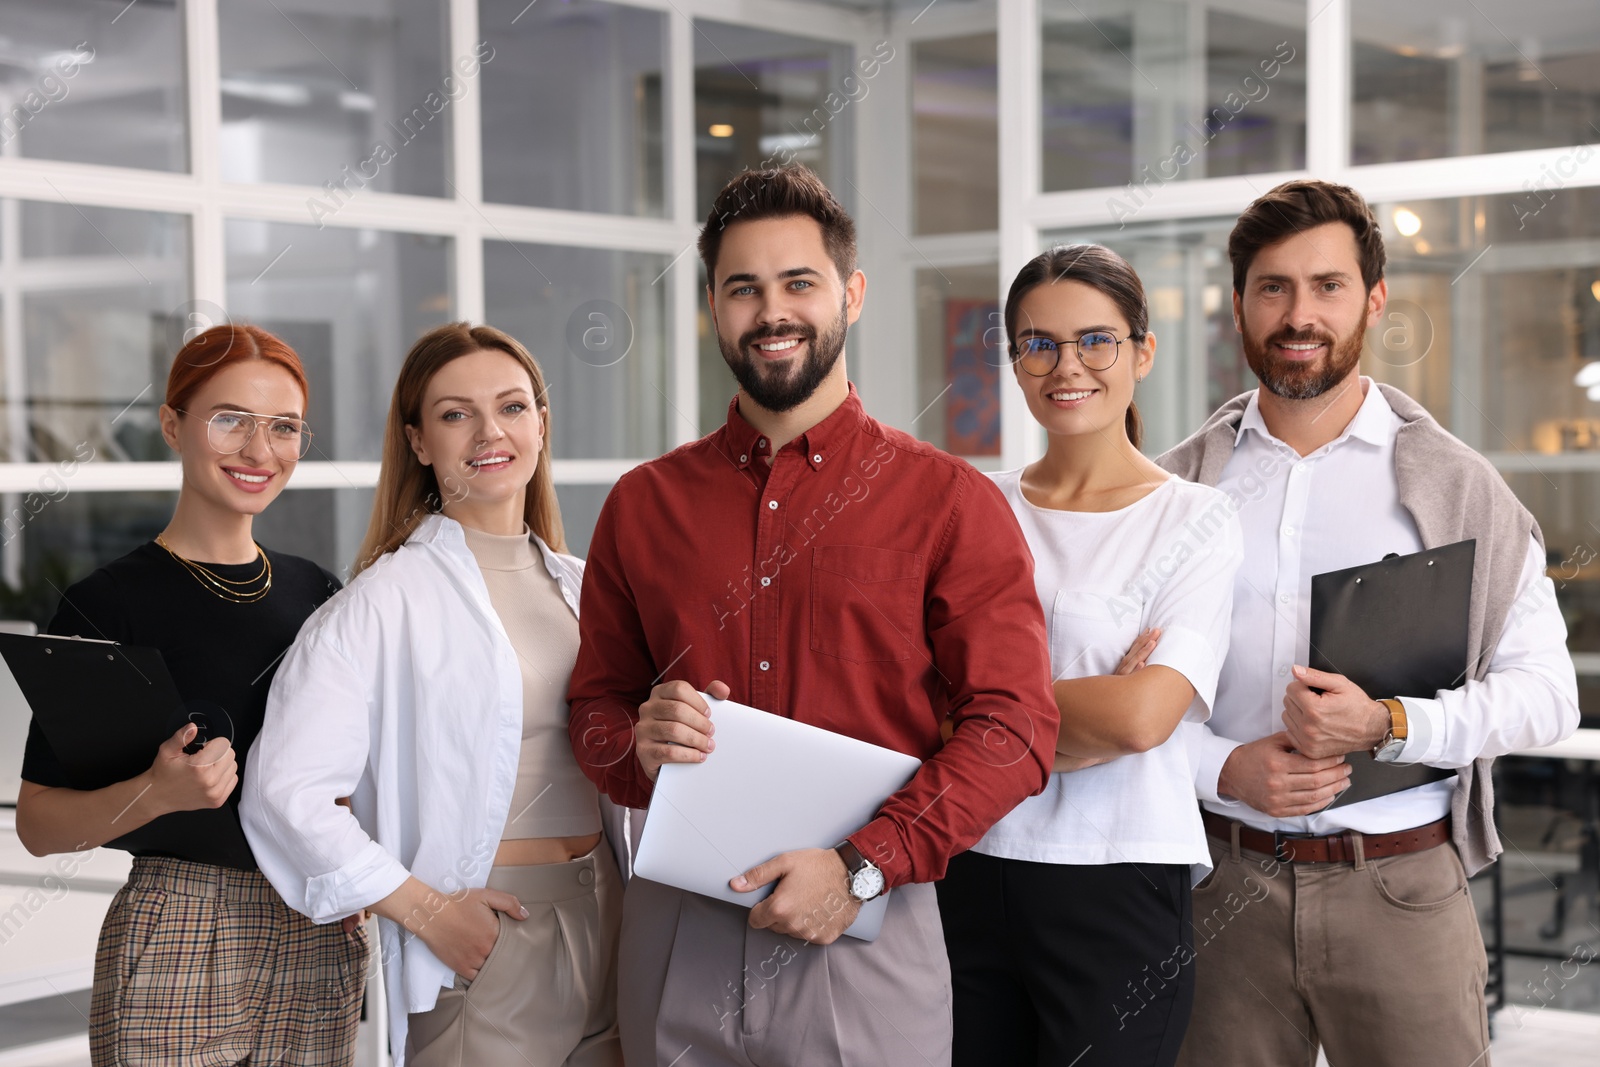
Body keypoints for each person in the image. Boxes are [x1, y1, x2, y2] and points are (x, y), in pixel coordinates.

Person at [567, 163, 1059, 1067]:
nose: (772, 311)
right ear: (713, 305)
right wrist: (635, 745)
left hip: (865, 925)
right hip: (679, 933)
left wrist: (863, 866)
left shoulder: (949, 502)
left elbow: (1017, 727)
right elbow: (592, 712)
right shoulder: (643, 504)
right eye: (743, 288)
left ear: (852, 293)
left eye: (799, 282)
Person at [1159, 179, 1580, 1067]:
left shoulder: (1457, 488)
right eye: (1272, 287)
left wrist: (1392, 725)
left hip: (1402, 889)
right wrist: (1222, 765)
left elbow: (1548, 695)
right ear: (1237, 303)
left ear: (1375, 300)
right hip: (1216, 885)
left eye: (1328, 285)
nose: (1297, 313)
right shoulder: (1175, 492)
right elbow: (1110, 706)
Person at [241, 323, 623, 1067]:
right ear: (418, 441)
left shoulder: (588, 589)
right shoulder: (379, 604)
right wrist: (429, 912)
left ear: (541, 425)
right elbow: (283, 794)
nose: (490, 431)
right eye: (456, 414)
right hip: (491, 935)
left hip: (614, 912)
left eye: (513, 407)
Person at [14, 324, 366, 1067]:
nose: (258, 450)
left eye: (284, 428)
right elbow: (39, 824)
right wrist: (155, 791)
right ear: (174, 423)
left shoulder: (320, 594)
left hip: (316, 914)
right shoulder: (105, 605)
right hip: (184, 921)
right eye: (229, 419)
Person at [936, 244, 1243, 1067]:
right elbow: (917, 704)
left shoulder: (1198, 520)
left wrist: (990, 714)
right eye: (1039, 344)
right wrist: (1085, 704)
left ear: (1142, 350)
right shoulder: (973, 506)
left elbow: (1145, 719)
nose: (1066, 365)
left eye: (1095, 340)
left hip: (1116, 878)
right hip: (960, 865)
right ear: (1014, 360)